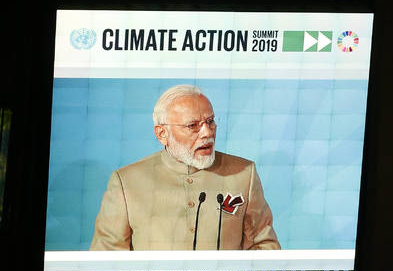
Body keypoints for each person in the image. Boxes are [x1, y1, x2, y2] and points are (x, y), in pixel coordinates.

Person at [91, 84, 280, 252]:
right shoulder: (127, 182)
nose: (207, 133)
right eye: (193, 126)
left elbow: (263, 246)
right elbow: (107, 258)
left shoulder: (243, 173)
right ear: (162, 133)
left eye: (210, 121)